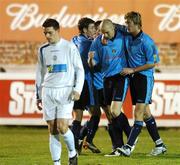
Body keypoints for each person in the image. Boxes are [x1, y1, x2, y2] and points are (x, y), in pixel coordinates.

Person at [35, 18, 84, 165]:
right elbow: (40, 73)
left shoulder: (69, 47)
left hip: (65, 91)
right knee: (52, 128)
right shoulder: (43, 49)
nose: (47, 36)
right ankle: (56, 163)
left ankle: (72, 152)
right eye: (45, 33)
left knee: (62, 127)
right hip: (48, 91)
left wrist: (77, 89)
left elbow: (79, 69)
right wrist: (38, 95)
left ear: (57, 30)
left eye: (49, 33)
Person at [118, 11, 167, 156]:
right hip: (134, 78)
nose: (126, 26)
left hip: (144, 78)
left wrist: (132, 69)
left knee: (138, 112)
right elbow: (113, 26)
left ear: (137, 24)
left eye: (129, 23)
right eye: (126, 23)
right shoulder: (126, 34)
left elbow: (152, 63)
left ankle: (128, 147)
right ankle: (160, 145)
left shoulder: (147, 41)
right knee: (145, 113)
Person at [88, 19, 132, 156]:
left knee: (115, 110)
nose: (104, 35)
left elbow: (132, 30)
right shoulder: (97, 41)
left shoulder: (122, 35)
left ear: (113, 28)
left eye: (107, 32)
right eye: (102, 33)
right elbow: (93, 64)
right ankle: (117, 147)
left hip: (120, 76)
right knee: (111, 114)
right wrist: (90, 60)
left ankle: (131, 138)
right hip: (106, 79)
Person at [71, 17, 101, 154]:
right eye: (92, 28)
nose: (95, 30)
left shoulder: (74, 40)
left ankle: (75, 145)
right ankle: (85, 139)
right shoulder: (90, 44)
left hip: (73, 83)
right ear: (84, 30)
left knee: (77, 115)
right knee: (96, 113)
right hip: (86, 83)